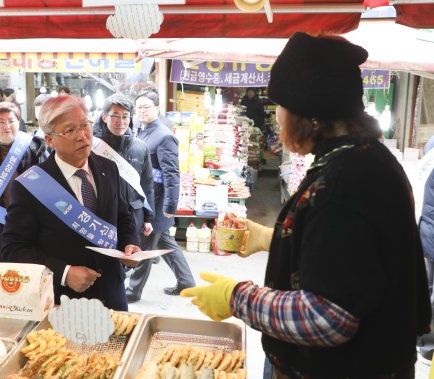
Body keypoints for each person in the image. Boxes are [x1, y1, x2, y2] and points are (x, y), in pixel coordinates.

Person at [181, 32, 431, 378]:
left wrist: (238, 297)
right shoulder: (365, 159)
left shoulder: (347, 182)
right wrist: (275, 238)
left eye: (282, 108)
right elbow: (351, 257)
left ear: (310, 116)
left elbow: (328, 316)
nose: (279, 119)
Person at [1, 96, 141, 311]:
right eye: (69, 131)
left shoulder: (108, 168)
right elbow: (14, 250)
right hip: (64, 301)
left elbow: (123, 215)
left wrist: (130, 244)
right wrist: (64, 273)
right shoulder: (31, 185)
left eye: (85, 125)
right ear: (49, 140)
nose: (82, 136)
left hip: (113, 292)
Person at [127, 88, 195, 301]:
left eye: (147, 107)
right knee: (166, 242)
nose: (142, 111)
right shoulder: (140, 129)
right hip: (145, 197)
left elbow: (172, 174)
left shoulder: (165, 136)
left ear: (157, 108)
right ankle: (186, 282)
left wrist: (169, 207)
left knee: (145, 248)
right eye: (139, 107)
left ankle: (133, 291)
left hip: (156, 202)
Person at [94, 94, 155, 299]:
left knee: (130, 254)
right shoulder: (94, 145)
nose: (120, 122)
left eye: (125, 116)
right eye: (115, 116)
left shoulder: (140, 147)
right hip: (103, 213)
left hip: (134, 211)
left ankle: (123, 293)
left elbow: (147, 184)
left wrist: (148, 217)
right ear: (104, 117)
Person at [0, 102, 46, 265]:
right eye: (0, 122)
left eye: (11, 121)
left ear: (19, 123)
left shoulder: (35, 150)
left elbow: (48, 189)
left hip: (30, 221)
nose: (7, 126)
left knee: (29, 268)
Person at [418, 135, 434, 364]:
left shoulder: (432, 143)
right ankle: (428, 346)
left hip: (428, 228)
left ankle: (424, 342)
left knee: (426, 289)